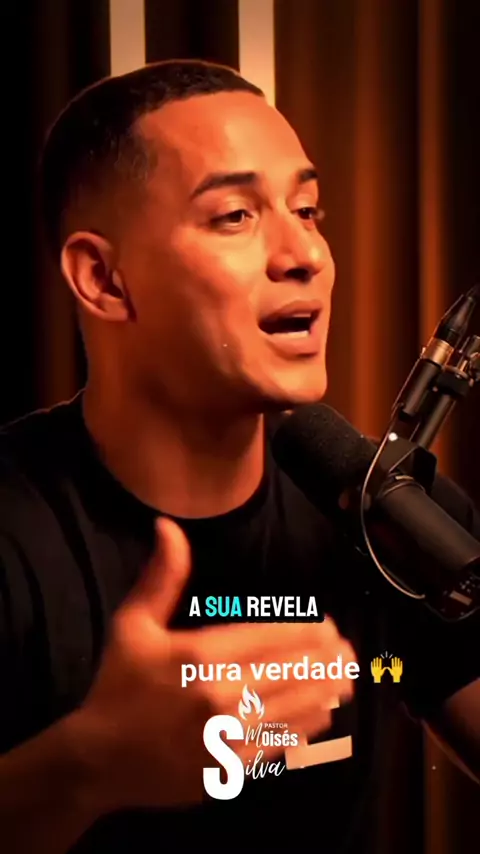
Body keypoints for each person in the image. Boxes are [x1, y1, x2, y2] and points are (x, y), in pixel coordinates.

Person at [0, 59, 478, 854]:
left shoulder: (386, 514)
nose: (306, 254)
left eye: (308, 210)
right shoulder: (16, 524)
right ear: (103, 278)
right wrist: (89, 765)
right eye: (234, 216)